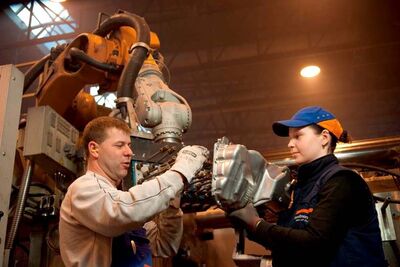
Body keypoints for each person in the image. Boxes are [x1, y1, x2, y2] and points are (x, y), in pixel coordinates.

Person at [229, 106, 387, 267]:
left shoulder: (342, 181)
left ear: (324, 138)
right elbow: (289, 243)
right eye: (290, 138)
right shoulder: (301, 188)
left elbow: (314, 243)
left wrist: (257, 224)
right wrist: (246, 223)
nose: (290, 144)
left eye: (298, 136)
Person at [59, 116, 208, 267]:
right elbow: (123, 211)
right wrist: (181, 172)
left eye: (129, 145)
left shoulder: (120, 198)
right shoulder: (83, 188)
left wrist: (172, 205)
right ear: (94, 149)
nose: (129, 152)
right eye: (119, 145)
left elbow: (164, 246)